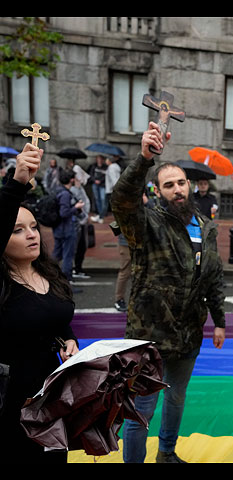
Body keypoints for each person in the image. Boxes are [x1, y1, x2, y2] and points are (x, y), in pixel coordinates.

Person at [112, 122, 226, 463]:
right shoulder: (147, 223)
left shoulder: (205, 228)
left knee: (176, 398)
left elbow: (213, 278)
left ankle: (167, 453)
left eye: (181, 183)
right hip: (149, 336)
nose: (177, 189)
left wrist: (219, 320)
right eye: (169, 185)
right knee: (141, 409)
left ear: (189, 186)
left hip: (188, 335)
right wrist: (144, 158)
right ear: (158, 191)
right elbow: (122, 199)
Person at [0, 142, 79, 464]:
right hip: (9, 403)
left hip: (51, 398)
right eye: (17, 230)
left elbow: (56, 319)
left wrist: (69, 338)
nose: (32, 235)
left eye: (34, 227)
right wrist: (17, 182)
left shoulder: (48, 272)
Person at [52, 170, 85, 284]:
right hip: (66, 229)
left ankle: (50, 274)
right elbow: (64, 212)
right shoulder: (65, 194)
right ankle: (66, 278)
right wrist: (76, 207)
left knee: (57, 253)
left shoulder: (59, 191)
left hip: (58, 228)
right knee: (67, 254)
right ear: (71, 180)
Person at [88, 155, 108, 223]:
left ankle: (101, 216)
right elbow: (90, 175)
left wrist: (100, 181)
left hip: (102, 185)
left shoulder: (105, 167)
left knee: (103, 199)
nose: (99, 160)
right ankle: (100, 215)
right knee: (97, 199)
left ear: (102, 159)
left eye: (100, 159)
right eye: (98, 159)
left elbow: (107, 176)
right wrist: (94, 180)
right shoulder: (94, 166)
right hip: (95, 184)